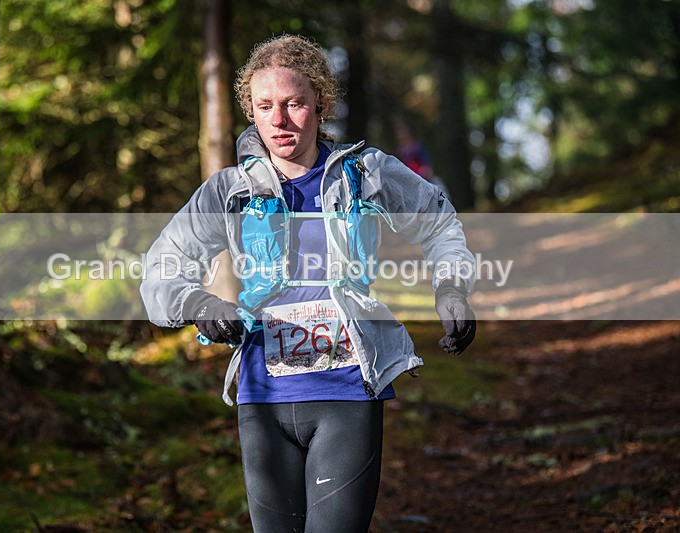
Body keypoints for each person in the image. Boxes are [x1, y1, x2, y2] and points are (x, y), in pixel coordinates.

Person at [141, 35, 476, 533]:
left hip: (346, 392)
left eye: (294, 103)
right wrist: (195, 300)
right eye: (265, 106)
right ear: (251, 112)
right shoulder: (228, 191)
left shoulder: (364, 174)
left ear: (320, 102)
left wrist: (451, 287)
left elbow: (438, 221)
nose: (279, 120)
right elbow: (161, 267)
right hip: (262, 397)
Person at [394, 121, 451, 200]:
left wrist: (426, 171)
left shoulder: (417, 147)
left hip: (423, 179)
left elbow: (427, 165)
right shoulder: (400, 152)